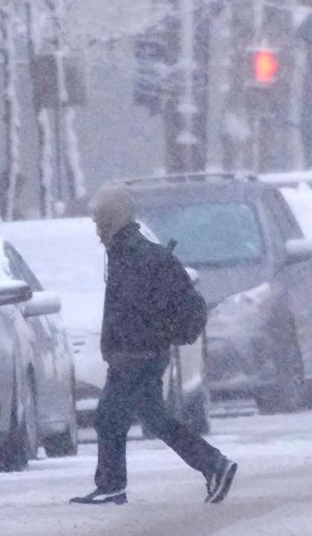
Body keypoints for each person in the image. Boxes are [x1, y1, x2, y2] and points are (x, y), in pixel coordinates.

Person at [69, 184, 237, 506]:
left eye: (98, 221)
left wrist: (124, 346)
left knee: (109, 417)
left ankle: (112, 485)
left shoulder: (131, 254)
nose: (95, 229)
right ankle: (213, 465)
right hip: (142, 352)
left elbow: (130, 309)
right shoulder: (127, 250)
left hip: (136, 354)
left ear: (110, 219)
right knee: (153, 419)